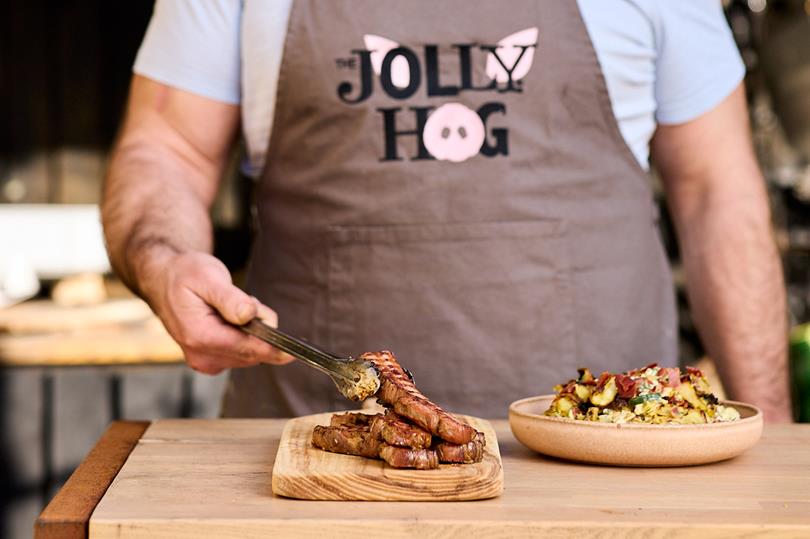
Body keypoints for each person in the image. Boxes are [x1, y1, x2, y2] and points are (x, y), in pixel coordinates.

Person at [101, 0, 792, 422]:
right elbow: (166, 150)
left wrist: (778, 457)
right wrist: (160, 260)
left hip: (610, 474)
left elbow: (718, 193)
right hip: (316, 475)